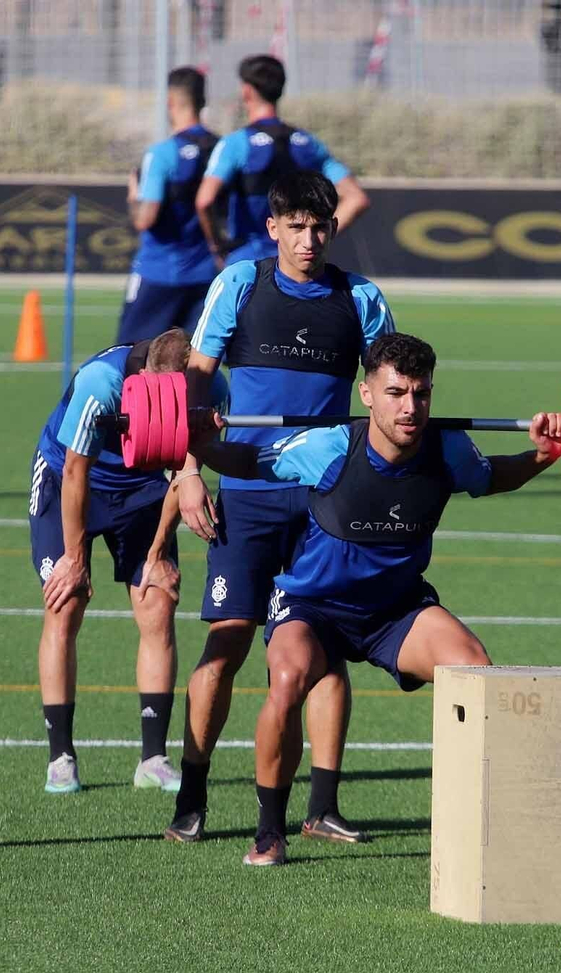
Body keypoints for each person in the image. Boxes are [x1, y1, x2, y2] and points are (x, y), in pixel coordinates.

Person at [189, 332, 561, 866]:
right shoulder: (329, 446)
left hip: (396, 611)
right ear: (367, 393)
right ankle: (269, 830)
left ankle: (478, 822)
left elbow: (491, 477)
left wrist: (544, 455)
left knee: (476, 668)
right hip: (313, 608)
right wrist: (201, 446)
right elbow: (251, 463)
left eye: (421, 393)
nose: (410, 407)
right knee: (289, 679)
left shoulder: (449, 449)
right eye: (396, 393)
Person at [165, 170, 394, 847]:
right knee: (229, 636)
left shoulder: (361, 298)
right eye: (295, 227)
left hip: (327, 501)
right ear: (273, 228)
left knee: (323, 650)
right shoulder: (240, 283)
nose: (308, 239)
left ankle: (321, 804)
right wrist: (187, 472)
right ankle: (194, 791)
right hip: (248, 493)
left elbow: (386, 389)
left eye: (319, 227)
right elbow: (193, 387)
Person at [29, 328, 226, 794]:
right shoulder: (102, 383)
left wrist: (157, 552)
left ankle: (153, 759)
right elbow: (77, 470)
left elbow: (186, 471)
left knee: (158, 602)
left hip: (143, 487)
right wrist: (74, 558)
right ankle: (61, 756)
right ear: (143, 378)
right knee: (66, 600)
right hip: (69, 477)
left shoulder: (212, 387)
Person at [194, 54, 370, 267]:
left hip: (248, 261)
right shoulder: (308, 144)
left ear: (246, 91)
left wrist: (217, 245)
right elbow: (356, 198)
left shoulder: (236, 144)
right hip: (294, 265)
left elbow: (204, 200)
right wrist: (316, 237)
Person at [118, 67, 220, 346]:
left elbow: (145, 219)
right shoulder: (222, 148)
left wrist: (132, 195)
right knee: (193, 363)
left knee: (133, 358)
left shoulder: (163, 153)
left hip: (160, 273)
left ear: (170, 102)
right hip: (206, 275)